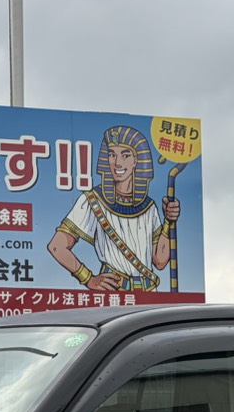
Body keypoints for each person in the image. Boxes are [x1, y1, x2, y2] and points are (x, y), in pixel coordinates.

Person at [47, 125, 180, 292]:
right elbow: (56, 246)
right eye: (112, 155)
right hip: (113, 294)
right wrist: (88, 278)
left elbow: (160, 261)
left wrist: (169, 221)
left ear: (136, 160)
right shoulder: (92, 200)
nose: (117, 163)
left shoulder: (149, 207)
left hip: (148, 296)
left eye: (125, 155)